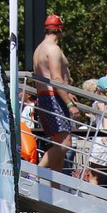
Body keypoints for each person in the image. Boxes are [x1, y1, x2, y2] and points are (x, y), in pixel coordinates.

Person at [32, 15, 78, 172]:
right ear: (60, 29)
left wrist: (67, 94)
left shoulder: (39, 49)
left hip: (44, 97)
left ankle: (55, 184)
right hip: (53, 98)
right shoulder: (53, 49)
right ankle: (34, 173)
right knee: (65, 143)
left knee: (58, 146)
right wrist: (70, 104)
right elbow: (56, 78)